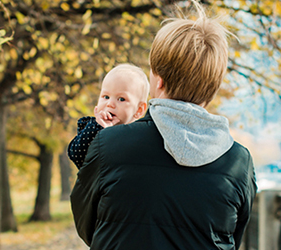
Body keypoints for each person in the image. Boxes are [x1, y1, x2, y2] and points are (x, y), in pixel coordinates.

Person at [70, 2, 257, 249]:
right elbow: (232, 237)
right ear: (212, 89)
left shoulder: (108, 143)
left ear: (158, 80)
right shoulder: (238, 163)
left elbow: (87, 225)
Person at [67, 63, 150, 168]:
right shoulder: (91, 128)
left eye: (121, 99)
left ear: (139, 110)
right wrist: (100, 129)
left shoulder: (140, 136)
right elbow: (76, 155)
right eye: (106, 97)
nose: (110, 104)